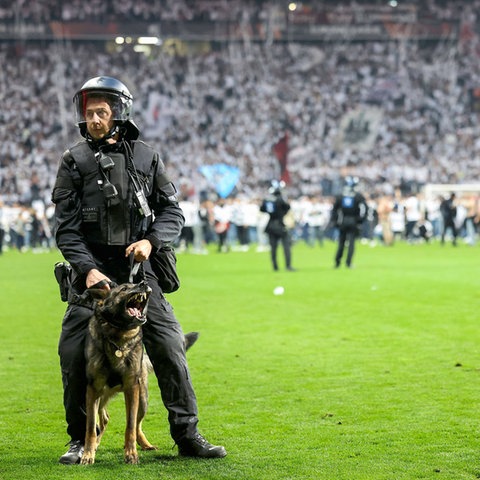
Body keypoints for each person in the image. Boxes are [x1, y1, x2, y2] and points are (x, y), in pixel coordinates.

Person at [51, 76, 226, 464]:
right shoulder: (73, 161)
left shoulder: (147, 157)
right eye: (88, 112)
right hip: (92, 278)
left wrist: (152, 242)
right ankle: (81, 439)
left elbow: (171, 212)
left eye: (101, 111)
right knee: (72, 352)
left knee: (169, 347)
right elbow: (65, 227)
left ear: (119, 112)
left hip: (139, 274)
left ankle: (187, 435)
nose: (94, 118)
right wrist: (86, 269)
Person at [330, 176, 367, 268]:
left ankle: (337, 262)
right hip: (353, 221)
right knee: (351, 243)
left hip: (342, 221)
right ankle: (348, 263)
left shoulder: (340, 196)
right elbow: (365, 209)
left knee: (341, 243)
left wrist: (335, 221)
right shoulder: (358, 196)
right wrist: (360, 220)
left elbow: (334, 210)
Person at [260, 180, 295, 271]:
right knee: (286, 246)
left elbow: (262, 209)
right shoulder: (280, 199)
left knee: (273, 248)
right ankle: (288, 266)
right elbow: (287, 207)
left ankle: (275, 266)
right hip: (280, 225)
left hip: (270, 225)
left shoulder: (267, 200)